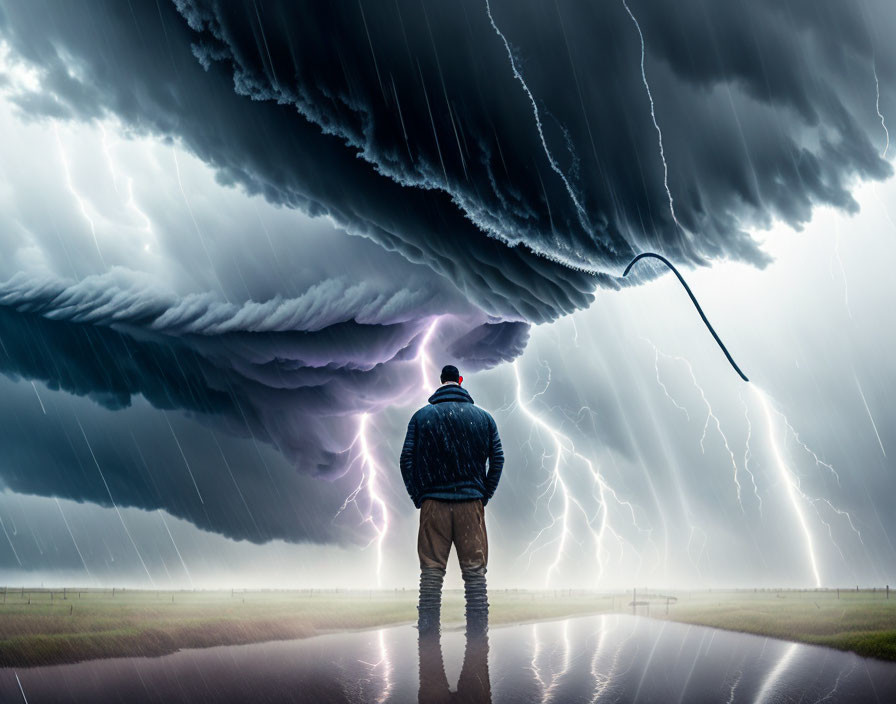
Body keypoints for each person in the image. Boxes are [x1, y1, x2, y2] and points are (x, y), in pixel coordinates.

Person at [400, 364, 504, 635]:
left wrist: (419, 496)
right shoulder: (484, 418)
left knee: (431, 578)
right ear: (460, 381)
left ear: (440, 382)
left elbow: (406, 460)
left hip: (433, 504)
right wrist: (484, 495)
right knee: (475, 578)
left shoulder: (421, 417)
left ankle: (428, 647)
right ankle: (478, 648)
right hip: (471, 504)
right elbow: (498, 459)